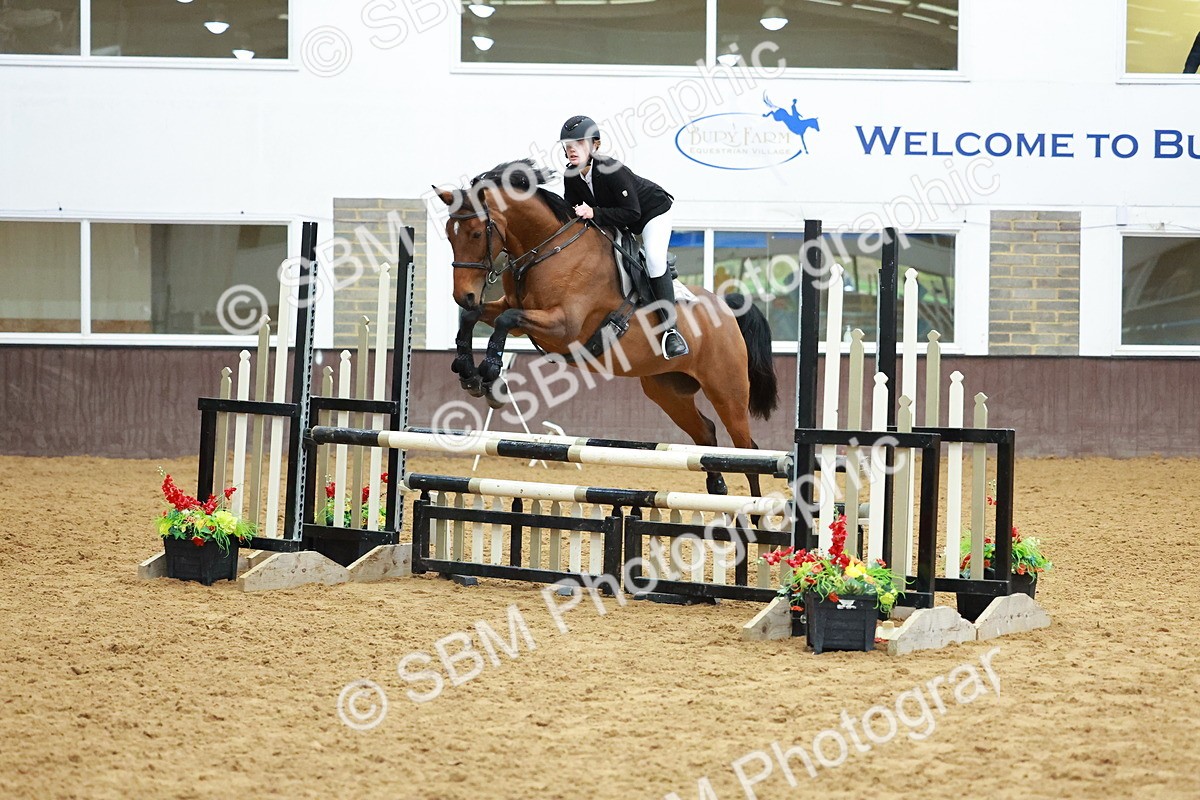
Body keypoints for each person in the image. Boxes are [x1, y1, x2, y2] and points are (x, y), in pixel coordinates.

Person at [558, 115, 689, 359]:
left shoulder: (611, 170)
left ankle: (672, 332)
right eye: (567, 145)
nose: (571, 149)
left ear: (595, 145)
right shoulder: (571, 175)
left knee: (654, 259)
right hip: (620, 220)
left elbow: (632, 212)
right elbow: (571, 213)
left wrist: (594, 212)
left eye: (579, 143)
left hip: (651, 213)